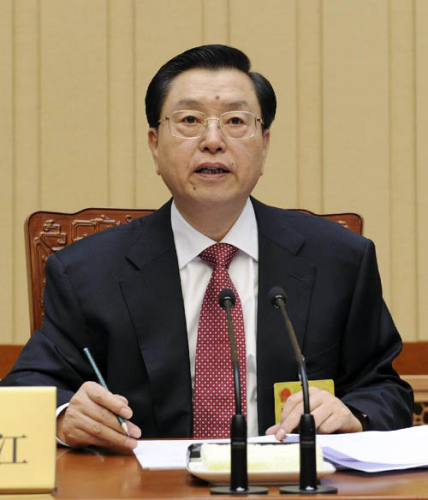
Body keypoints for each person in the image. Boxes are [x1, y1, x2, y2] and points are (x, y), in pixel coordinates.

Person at [1, 45, 413, 453]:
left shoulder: (338, 259)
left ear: (264, 144)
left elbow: (384, 389)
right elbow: (24, 391)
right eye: (190, 120)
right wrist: (64, 415)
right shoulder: (86, 272)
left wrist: (353, 414)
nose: (213, 140)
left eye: (235, 121)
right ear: (154, 144)